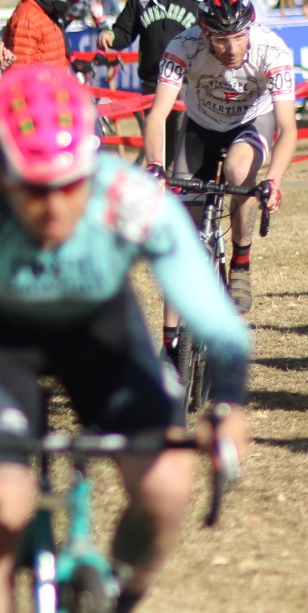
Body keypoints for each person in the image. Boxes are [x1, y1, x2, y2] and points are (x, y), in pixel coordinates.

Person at [0, 67, 250, 613]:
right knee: (4, 506)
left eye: (70, 184)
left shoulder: (126, 197)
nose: (54, 207)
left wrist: (227, 401)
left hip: (102, 336)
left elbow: (216, 317)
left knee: (166, 488)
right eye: (34, 189)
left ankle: (122, 595)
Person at [143, 0, 296, 318]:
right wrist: (155, 164)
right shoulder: (183, 46)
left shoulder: (273, 50)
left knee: (239, 173)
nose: (232, 49)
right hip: (200, 125)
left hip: (251, 120)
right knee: (182, 239)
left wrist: (274, 180)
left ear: (249, 29)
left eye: (239, 37)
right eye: (221, 39)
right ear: (204, 33)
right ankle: (171, 345)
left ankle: (241, 261)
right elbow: (157, 115)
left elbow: (288, 126)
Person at [99, 0, 211, 167]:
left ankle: (181, 186)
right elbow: (123, 31)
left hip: (187, 82)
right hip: (153, 81)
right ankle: (158, 184)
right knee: (155, 141)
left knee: (182, 139)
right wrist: (111, 36)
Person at [2, 0, 68, 69]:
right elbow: (20, 70)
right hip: (37, 87)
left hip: (55, 86)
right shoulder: (27, 17)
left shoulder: (47, 11)